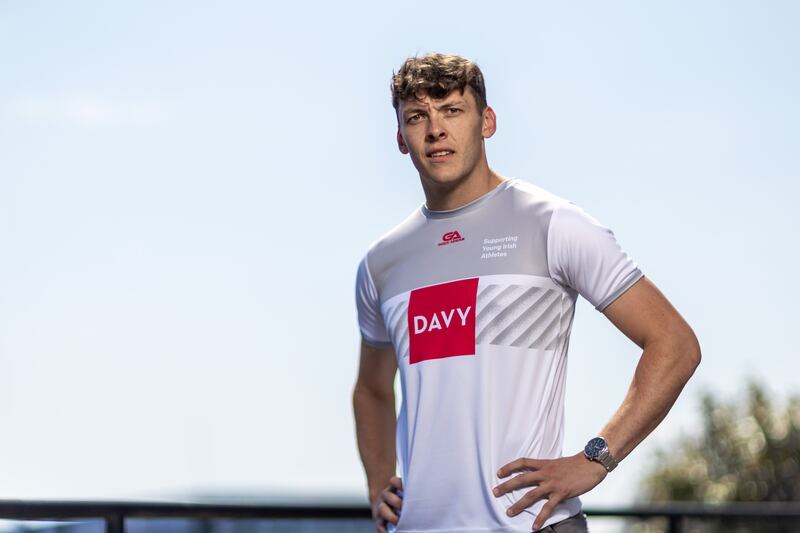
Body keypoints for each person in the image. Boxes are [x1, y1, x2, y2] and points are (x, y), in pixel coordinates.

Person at [351, 52, 701, 533]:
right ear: (400, 137)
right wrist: (378, 484)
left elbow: (675, 344)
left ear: (486, 122)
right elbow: (371, 388)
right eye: (417, 117)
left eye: (452, 110)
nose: (435, 130)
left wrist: (596, 458)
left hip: (532, 524)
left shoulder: (553, 224)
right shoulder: (382, 263)